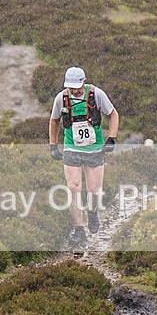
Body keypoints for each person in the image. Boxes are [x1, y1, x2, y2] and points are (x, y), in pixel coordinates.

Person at [49, 66, 119, 246]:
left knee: (94, 190)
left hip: (95, 150)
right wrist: (53, 145)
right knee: (74, 187)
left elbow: (113, 114)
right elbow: (54, 120)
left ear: (84, 82)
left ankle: (92, 212)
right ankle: (79, 228)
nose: (74, 90)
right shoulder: (62, 98)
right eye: (71, 87)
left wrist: (112, 138)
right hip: (72, 148)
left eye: (77, 87)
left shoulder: (96, 95)